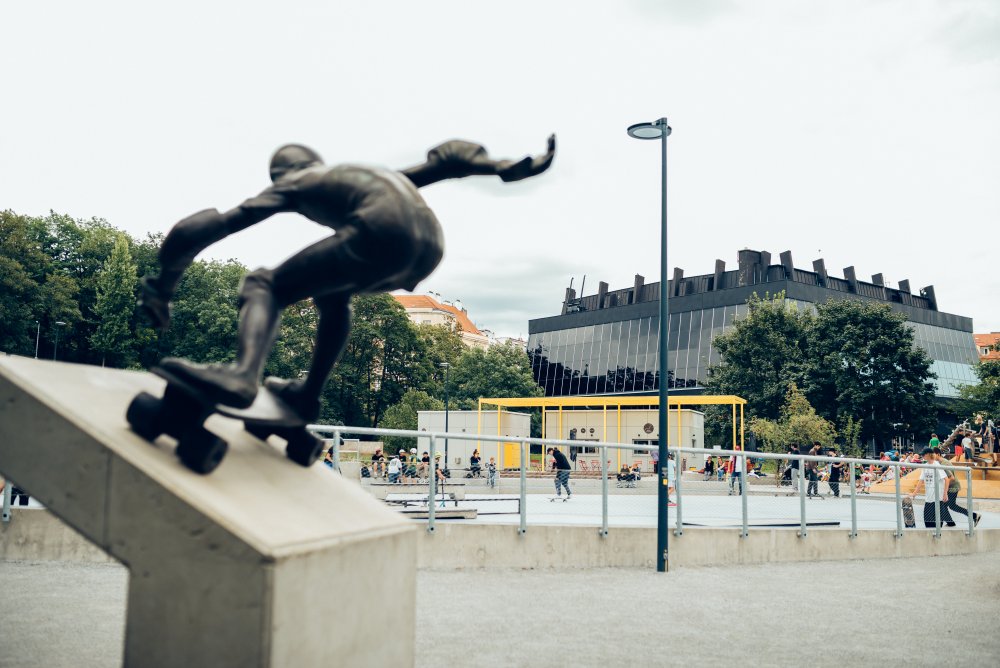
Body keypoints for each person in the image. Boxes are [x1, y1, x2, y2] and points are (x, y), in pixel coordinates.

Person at [138, 137, 555, 421]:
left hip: (380, 230)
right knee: (333, 296)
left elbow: (214, 225)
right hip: (427, 244)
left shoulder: (295, 181)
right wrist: (500, 167)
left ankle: (242, 375)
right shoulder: (362, 174)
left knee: (264, 285)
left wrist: (163, 284)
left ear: (283, 173)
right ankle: (306, 395)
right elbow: (443, 163)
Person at [933, 447, 981, 527]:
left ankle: (950, 523)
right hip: (949, 487)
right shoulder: (939, 463)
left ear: (938, 454)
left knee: (943, 507)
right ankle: (971, 517)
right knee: (950, 506)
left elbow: (951, 478)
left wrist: (944, 489)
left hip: (952, 488)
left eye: (932, 455)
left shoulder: (945, 463)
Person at [908, 447, 952, 529]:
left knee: (938, 519)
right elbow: (921, 481)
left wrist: (945, 494)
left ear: (928, 455)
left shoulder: (937, 465)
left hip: (937, 497)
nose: (922, 456)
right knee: (927, 520)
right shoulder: (925, 466)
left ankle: (938, 534)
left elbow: (946, 479)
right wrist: (914, 493)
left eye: (923, 455)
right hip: (928, 497)